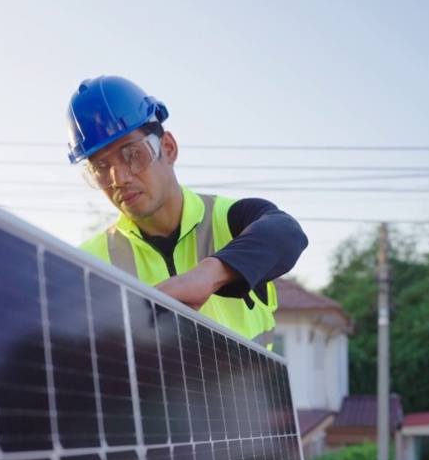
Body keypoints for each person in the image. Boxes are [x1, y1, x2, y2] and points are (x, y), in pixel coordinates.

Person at [68, 76, 306, 348]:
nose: (119, 178)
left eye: (131, 155)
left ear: (168, 148)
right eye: (100, 168)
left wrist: (208, 275)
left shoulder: (230, 221)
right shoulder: (86, 264)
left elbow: (286, 233)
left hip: (252, 390)